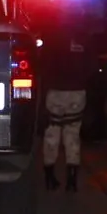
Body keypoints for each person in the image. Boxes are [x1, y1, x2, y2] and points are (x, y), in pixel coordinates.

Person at [38, 11, 92, 192]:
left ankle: (49, 177)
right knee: (72, 134)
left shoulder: (52, 37)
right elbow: (92, 66)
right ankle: (72, 180)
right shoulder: (84, 38)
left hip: (55, 91)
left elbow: (43, 65)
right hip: (77, 92)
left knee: (52, 134)